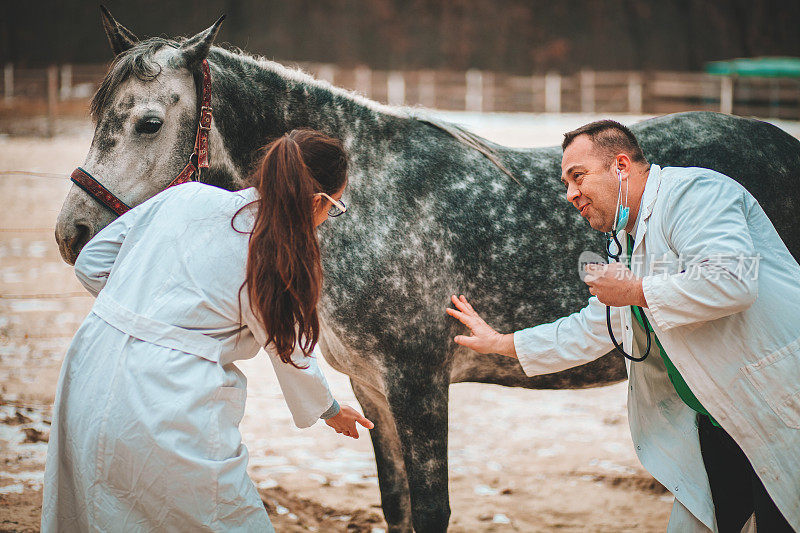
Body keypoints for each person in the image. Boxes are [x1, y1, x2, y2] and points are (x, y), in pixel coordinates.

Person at [446, 120, 800, 532]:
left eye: (578, 177)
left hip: (776, 406)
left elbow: (733, 282)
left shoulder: (696, 193)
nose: (570, 194)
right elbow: (596, 328)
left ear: (620, 166)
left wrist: (635, 288)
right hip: (719, 421)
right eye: (566, 182)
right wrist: (501, 343)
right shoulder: (626, 239)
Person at [42, 129, 374, 532]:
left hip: (88, 367)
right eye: (333, 209)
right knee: (222, 517)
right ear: (317, 202)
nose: (327, 220)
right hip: (167, 393)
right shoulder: (271, 254)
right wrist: (330, 410)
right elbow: (290, 354)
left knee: (96, 509)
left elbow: (91, 261)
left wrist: (141, 305)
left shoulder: (187, 195)